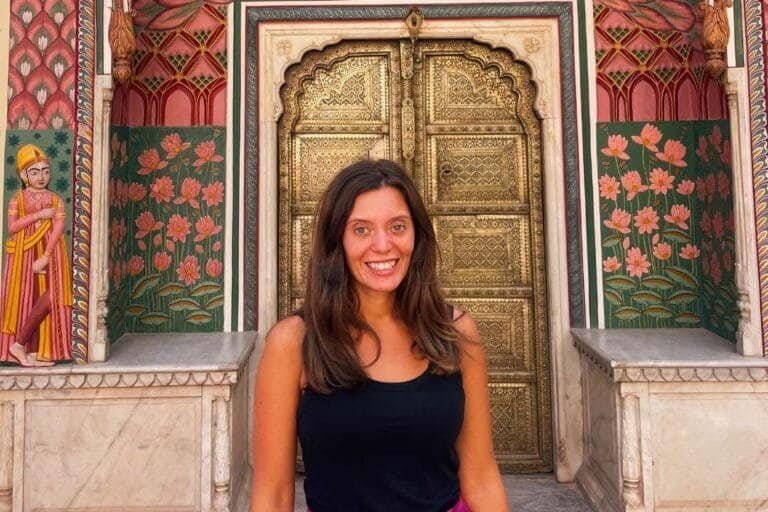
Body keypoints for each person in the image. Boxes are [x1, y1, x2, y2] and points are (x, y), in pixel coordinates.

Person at [251, 159, 509, 511]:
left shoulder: (455, 332)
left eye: (398, 226)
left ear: (416, 234)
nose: (383, 245)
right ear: (336, 240)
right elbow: (274, 494)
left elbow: (480, 475)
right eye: (361, 230)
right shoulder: (294, 342)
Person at [0, 144, 72, 366]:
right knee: (24, 297)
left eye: (45, 171)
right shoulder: (18, 199)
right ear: (24, 175)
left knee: (55, 296)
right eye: (34, 171)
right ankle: (21, 348)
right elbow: (12, 227)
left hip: (51, 253)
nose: (41, 176)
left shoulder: (55, 199)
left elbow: (59, 226)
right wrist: (38, 215)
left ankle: (33, 347)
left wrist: (46, 255)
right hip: (23, 254)